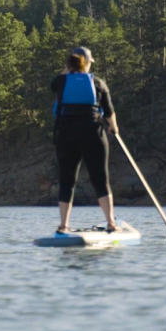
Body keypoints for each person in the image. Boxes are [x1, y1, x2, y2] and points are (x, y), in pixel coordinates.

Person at [50, 46, 119, 234]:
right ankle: (111, 223)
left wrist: (68, 69)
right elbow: (109, 112)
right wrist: (113, 128)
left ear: (69, 63)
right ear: (88, 63)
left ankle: (64, 225)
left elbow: (56, 83)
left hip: (66, 135)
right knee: (100, 179)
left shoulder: (60, 82)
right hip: (93, 134)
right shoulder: (98, 83)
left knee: (67, 180)